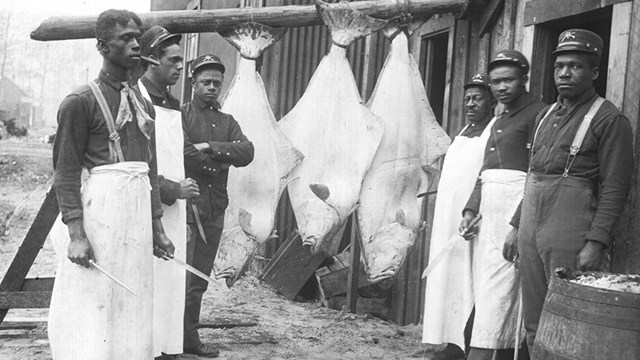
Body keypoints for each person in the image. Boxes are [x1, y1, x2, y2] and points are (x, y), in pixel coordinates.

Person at [48, 9, 175, 360]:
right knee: (97, 298)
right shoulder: (79, 102)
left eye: (138, 36)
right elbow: (66, 172)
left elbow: (149, 169)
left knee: (134, 297)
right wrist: (76, 234)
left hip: (136, 215)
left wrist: (157, 227)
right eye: (126, 38)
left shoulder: (142, 102)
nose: (137, 44)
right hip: (101, 214)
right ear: (103, 46)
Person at [509, 29, 633, 351]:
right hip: (531, 222)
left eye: (575, 66)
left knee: (568, 316)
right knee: (534, 319)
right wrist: (515, 225)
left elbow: (615, 188)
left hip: (570, 227)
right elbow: (533, 175)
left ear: (593, 73)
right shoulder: (543, 115)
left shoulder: (610, 120)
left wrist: (596, 242)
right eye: (559, 65)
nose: (564, 73)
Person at [461, 50, 545, 360]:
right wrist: (471, 209)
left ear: (524, 79)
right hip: (490, 216)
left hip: (516, 211)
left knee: (505, 290)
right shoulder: (499, 117)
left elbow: (537, 174)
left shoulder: (539, 113)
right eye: (495, 82)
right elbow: (484, 172)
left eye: (508, 80)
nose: (500, 88)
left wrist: (517, 225)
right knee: (487, 289)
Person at [182, 54, 254, 358]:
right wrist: (220, 161)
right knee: (180, 276)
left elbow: (247, 151)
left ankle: (188, 339)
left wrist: (211, 147)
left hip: (214, 209)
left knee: (198, 278)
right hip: (188, 208)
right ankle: (172, 336)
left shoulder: (227, 122)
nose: (212, 87)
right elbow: (183, 153)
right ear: (193, 83)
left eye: (216, 83)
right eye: (206, 82)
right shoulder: (182, 115)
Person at [422, 74, 497, 360]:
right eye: (467, 99)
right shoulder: (463, 130)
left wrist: (474, 211)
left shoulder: (493, 132)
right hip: (447, 216)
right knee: (447, 277)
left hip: (474, 217)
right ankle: (450, 343)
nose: (471, 103)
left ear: (491, 101)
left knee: (471, 277)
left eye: (477, 98)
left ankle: (468, 345)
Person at [137, 25, 200, 360]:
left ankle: (167, 348)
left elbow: (179, 153)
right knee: (148, 282)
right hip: (149, 209)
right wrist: (173, 189)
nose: (180, 67)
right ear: (151, 61)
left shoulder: (173, 104)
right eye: (173, 60)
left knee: (171, 283)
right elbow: (137, 164)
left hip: (175, 211)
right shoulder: (138, 100)